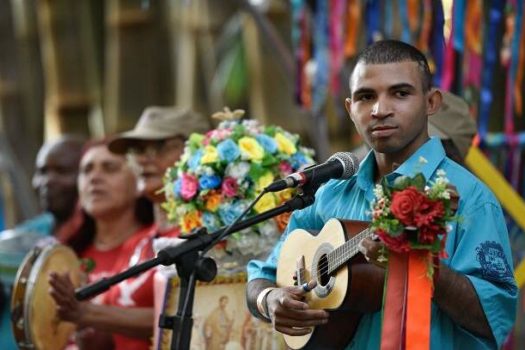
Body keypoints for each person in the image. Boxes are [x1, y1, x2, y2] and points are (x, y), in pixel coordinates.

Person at [246, 40, 517, 349]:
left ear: (431, 103)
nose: (380, 110)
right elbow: (261, 274)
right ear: (350, 109)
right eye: (366, 97)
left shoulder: (471, 199)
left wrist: (419, 263)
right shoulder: (330, 194)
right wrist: (271, 299)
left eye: (400, 93)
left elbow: (495, 318)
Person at [48, 140, 155, 350]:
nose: (95, 178)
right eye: (86, 170)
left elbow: (175, 315)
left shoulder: (159, 246)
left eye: (110, 168)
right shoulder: (65, 255)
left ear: (138, 183)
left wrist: (90, 315)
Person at [0, 135, 84, 350]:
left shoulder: (96, 238)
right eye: (42, 171)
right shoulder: (23, 238)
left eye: (62, 171)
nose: (47, 181)